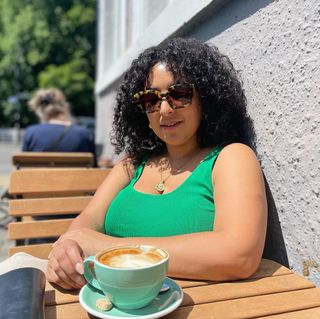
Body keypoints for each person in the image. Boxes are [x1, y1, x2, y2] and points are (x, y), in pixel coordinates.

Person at [47, 38, 268, 290]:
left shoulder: (230, 158)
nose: (164, 109)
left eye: (179, 94)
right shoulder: (132, 164)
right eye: (151, 99)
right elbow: (87, 222)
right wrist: (67, 250)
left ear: (206, 99)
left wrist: (105, 248)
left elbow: (239, 255)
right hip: (110, 304)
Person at [22, 88, 96, 164]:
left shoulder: (31, 133)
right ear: (66, 108)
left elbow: (22, 169)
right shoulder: (85, 135)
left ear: (40, 112)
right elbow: (93, 170)